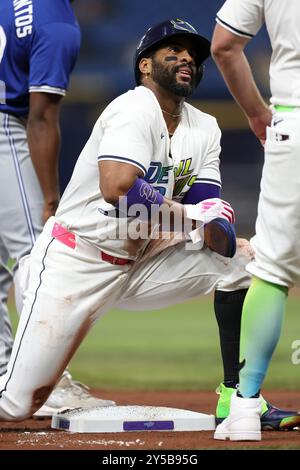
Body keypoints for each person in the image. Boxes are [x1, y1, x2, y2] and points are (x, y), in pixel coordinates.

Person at [0, 18, 297, 427]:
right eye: (172, 51)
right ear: (144, 65)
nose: (187, 58)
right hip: (75, 262)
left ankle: (239, 396)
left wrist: (220, 227)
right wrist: (194, 216)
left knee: (247, 260)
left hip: (142, 262)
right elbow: (118, 188)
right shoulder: (132, 107)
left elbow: (208, 226)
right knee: (15, 407)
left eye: (193, 54)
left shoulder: (205, 127)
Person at [0, 0, 115, 417]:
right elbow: (41, 117)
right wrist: (51, 199)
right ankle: (46, 386)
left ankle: (4, 372)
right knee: (40, 257)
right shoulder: (56, 22)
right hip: (5, 126)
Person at [211, 0, 300, 441]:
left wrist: (256, 113)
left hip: (293, 122)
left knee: (271, 270)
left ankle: (245, 408)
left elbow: (225, 45)